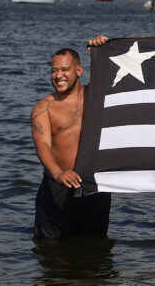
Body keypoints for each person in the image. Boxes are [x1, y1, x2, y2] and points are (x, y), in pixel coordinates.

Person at [31, 35, 110, 241]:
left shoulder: (96, 97)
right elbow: (42, 145)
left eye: (64, 69)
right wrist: (58, 173)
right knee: (50, 252)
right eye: (54, 70)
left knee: (94, 251)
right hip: (56, 187)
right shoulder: (44, 108)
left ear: (79, 71)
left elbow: (121, 80)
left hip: (93, 188)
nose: (58, 75)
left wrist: (102, 50)